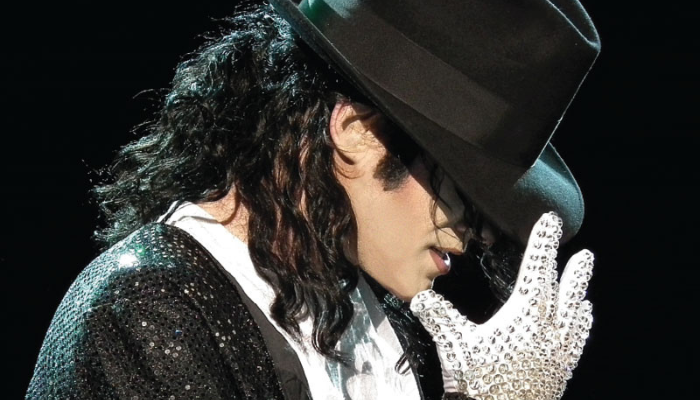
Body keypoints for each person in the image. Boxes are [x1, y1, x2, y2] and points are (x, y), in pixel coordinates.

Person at [25, 1, 600, 399]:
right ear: (356, 133)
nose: (476, 232)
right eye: (461, 185)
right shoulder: (149, 311)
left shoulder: (388, 334)